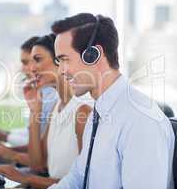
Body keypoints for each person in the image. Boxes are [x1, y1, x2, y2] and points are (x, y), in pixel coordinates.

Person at [47, 13, 175, 189]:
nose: (60, 71)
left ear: (93, 54)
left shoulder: (141, 121)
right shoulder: (98, 113)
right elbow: (78, 176)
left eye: (64, 59)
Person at [0, 35, 92, 189]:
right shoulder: (57, 106)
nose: (31, 68)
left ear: (60, 60)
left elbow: (84, 184)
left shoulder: (82, 111)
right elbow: (38, 163)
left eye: (37, 60)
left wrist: (25, 178)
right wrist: (34, 110)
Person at [0, 36, 58, 148]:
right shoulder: (42, 94)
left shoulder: (52, 97)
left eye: (36, 60)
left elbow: (42, 153)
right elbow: (35, 140)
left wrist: (6, 141)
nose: (27, 69)